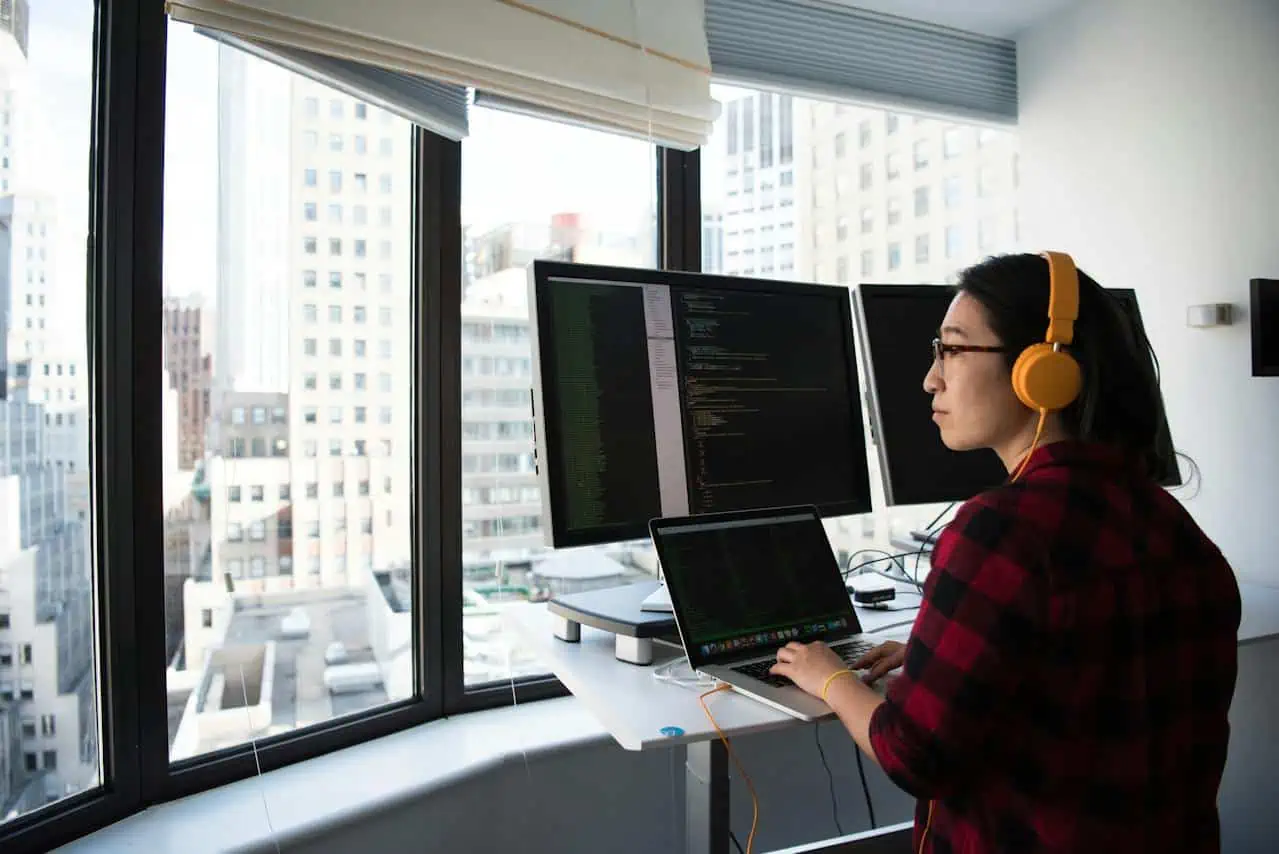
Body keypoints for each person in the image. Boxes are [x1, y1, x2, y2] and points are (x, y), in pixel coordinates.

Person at [770, 252, 1241, 852]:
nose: (930, 378)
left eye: (953, 350)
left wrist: (830, 675)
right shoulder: (1173, 525)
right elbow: (1092, 664)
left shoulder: (1002, 531)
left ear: (1041, 371)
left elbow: (914, 754)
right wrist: (940, 653)